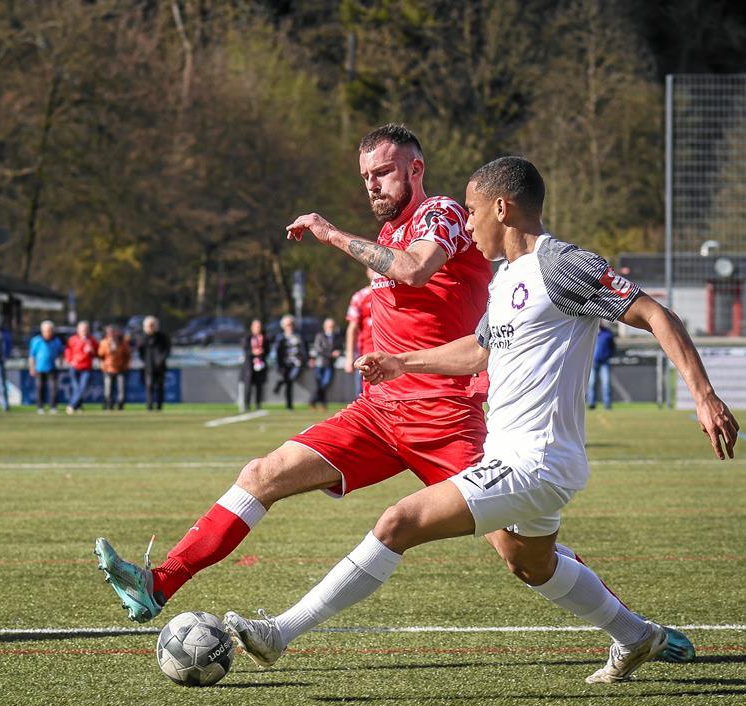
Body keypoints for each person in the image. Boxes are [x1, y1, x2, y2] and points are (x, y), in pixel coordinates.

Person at [93, 124, 695, 664]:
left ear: (415, 169)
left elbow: (414, 269)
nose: (372, 185)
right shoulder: (389, 232)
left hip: (449, 419)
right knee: (262, 473)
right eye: (365, 177)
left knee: (522, 557)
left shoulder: (443, 215)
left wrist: (329, 234)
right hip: (380, 413)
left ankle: (637, 631)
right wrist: (393, 359)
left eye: (382, 172)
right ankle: (159, 583)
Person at [224, 156, 739, 684]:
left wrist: (704, 396)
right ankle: (637, 636)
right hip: (515, 459)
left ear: (502, 207)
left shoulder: (560, 264)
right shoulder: (507, 278)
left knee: (397, 523)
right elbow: (478, 350)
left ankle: (279, 634)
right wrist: (403, 363)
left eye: (471, 212)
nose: (467, 225)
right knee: (531, 564)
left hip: (535, 462)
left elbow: (656, 313)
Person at [28, 320, 64, 414]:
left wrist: (60, 363)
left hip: (52, 368)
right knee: (40, 388)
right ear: (42, 331)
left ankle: (53, 407)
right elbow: (32, 356)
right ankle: (40, 407)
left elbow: (61, 353)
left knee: (53, 388)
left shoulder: (56, 341)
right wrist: (32, 367)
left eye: (50, 330)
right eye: (46, 330)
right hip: (39, 368)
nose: (48, 332)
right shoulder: (36, 341)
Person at [65, 320, 99, 414]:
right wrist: (70, 361)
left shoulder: (91, 340)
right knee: (76, 388)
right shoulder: (72, 339)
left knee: (82, 388)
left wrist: (91, 350)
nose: (84, 331)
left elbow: (97, 353)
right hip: (75, 367)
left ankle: (71, 405)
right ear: (78, 330)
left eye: (86, 329)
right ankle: (78, 406)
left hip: (86, 367)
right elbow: (68, 351)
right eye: (82, 329)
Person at [345, 272, 374, 381]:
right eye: (371, 268)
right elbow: (352, 328)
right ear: (367, 272)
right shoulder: (360, 296)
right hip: (367, 352)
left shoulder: (393, 293)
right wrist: (349, 357)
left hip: (389, 351)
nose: (375, 271)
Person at [273, 315, 306, 410]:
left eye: (291, 324)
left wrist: (305, 360)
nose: (290, 326)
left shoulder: (298, 336)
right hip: (285, 363)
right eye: (287, 325)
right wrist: (279, 365)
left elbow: (304, 349)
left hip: (297, 363)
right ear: (283, 326)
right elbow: (278, 353)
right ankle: (289, 405)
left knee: (290, 379)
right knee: (288, 383)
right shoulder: (280, 337)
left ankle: (280, 383)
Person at [139, 316, 170, 411]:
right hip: (149, 367)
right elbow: (141, 352)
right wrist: (146, 361)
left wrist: (160, 360)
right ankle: (149, 405)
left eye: (153, 325)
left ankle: (159, 406)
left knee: (160, 387)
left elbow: (167, 350)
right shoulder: (143, 338)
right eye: (149, 325)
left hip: (160, 367)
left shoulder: (162, 337)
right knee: (149, 386)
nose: (151, 327)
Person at [98, 325, 132, 410]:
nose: (111, 334)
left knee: (121, 389)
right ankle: (109, 405)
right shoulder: (104, 342)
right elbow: (100, 355)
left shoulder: (122, 342)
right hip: (108, 368)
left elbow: (127, 355)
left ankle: (120, 405)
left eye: (113, 332)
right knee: (108, 390)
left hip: (120, 368)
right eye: (109, 332)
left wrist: (126, 365)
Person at [310, 317, 341, 410]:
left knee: (325, 383)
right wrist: (330, 354)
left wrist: (338, 352)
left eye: (332, 326)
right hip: (320, 364)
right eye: (329, 326)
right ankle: (322, 403)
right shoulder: (320, 336)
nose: (331, 328)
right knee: (320, 384)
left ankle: (313, 400)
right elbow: (318, 349)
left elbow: (340, 347)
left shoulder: (336, 337)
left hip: (330, 364)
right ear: (325, 327)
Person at [238, 319, 268, 412]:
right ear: (252, 327)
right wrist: (253, 352)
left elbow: (268, 349)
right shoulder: (247, 337)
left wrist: (262, 352)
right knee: (248, 386)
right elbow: (245, 349)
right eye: (256, 326)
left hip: (260, 365)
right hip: (249, 366)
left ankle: (258, 404)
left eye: (259, 326)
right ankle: (246, 405)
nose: (258, 328)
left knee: (259, 386)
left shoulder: (264, 337)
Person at [587, 321, 617, 409]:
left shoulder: (607, 333)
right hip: (592, 362)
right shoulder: (590, 331)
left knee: (606, 384)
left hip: (605, 362)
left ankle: (607, 404)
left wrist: (609, 355)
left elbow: (612, 346)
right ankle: (591, 404)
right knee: (592, 384)